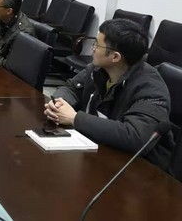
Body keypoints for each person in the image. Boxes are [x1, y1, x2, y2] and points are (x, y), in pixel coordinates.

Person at [44, 18, 175, 170]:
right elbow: (71, 87)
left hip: (139, 168)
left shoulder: (151, 89)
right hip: (101, 149)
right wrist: (60, 103)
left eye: (97, 45)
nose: (92, 48)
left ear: (115, 57)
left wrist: (74, 118)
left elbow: (136, 136)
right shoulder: (97, 69)